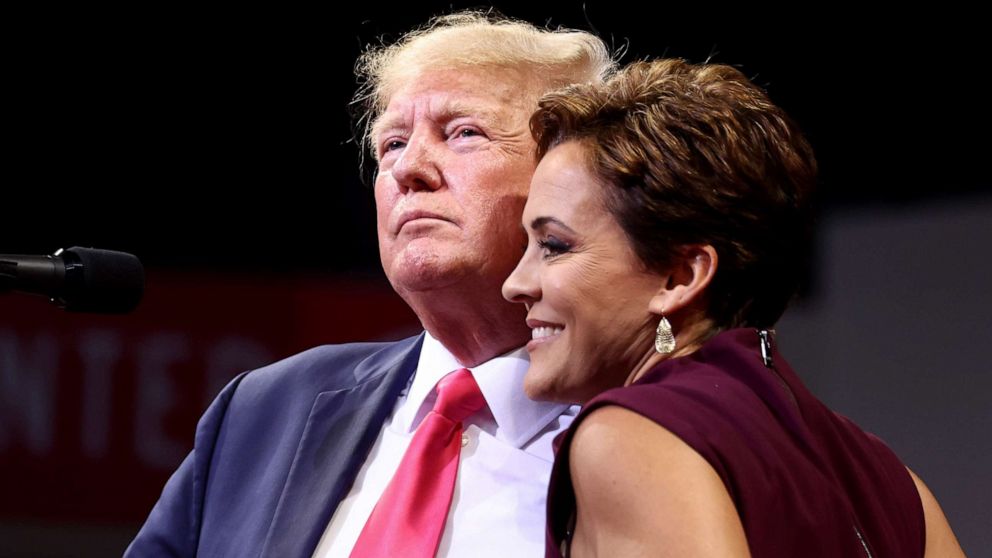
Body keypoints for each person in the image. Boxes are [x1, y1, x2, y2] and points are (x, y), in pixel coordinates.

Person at [125, 12, 615, 558]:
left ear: (569, 180)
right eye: (392, 145)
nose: (411, 169)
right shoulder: (263, 411)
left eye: (464, 133)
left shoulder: (648, 434)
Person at [502, 58, 965, 557]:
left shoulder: (630, 437)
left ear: (681, 276)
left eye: (553, 245)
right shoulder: (899, 486)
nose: (515, 284)